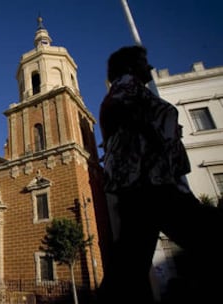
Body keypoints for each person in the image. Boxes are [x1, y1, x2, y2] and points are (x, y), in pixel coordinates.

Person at [97, 45, 223, 303]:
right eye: (144, 62)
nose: (150, 67)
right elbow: (131, 123)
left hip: (146, 184)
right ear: (130, 66)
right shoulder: (126, 88)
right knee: (209, 240)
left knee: (127, 267)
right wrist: (158, 141)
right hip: (152, 183)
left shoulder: (127, 89)